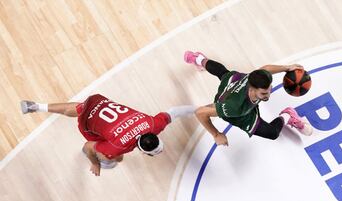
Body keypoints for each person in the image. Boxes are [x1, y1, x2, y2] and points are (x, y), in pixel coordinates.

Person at [21, 94, 196, 176]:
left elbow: (174, 111)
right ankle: (106, 160)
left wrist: (198, 109)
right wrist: (95, 163)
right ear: (142, 150)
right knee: (115, 158)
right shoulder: (120, 147)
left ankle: (35, 106)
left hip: (102, 104)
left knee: (79, 107)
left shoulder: (154, 124)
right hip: (91, 125)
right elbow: (87, 146)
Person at [183, 51, 313, 146]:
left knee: (223, 73)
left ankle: (199, 59)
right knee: (272, 134)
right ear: (251, 89)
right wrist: (216, 134)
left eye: (269, 89)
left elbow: (265, 69)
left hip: (235, 82)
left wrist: (287, 68)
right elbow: (200, 113)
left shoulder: (255, 79)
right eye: (264, 94)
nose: (268, 95)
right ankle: (288, 115)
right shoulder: (233, 108)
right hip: (240, 113)